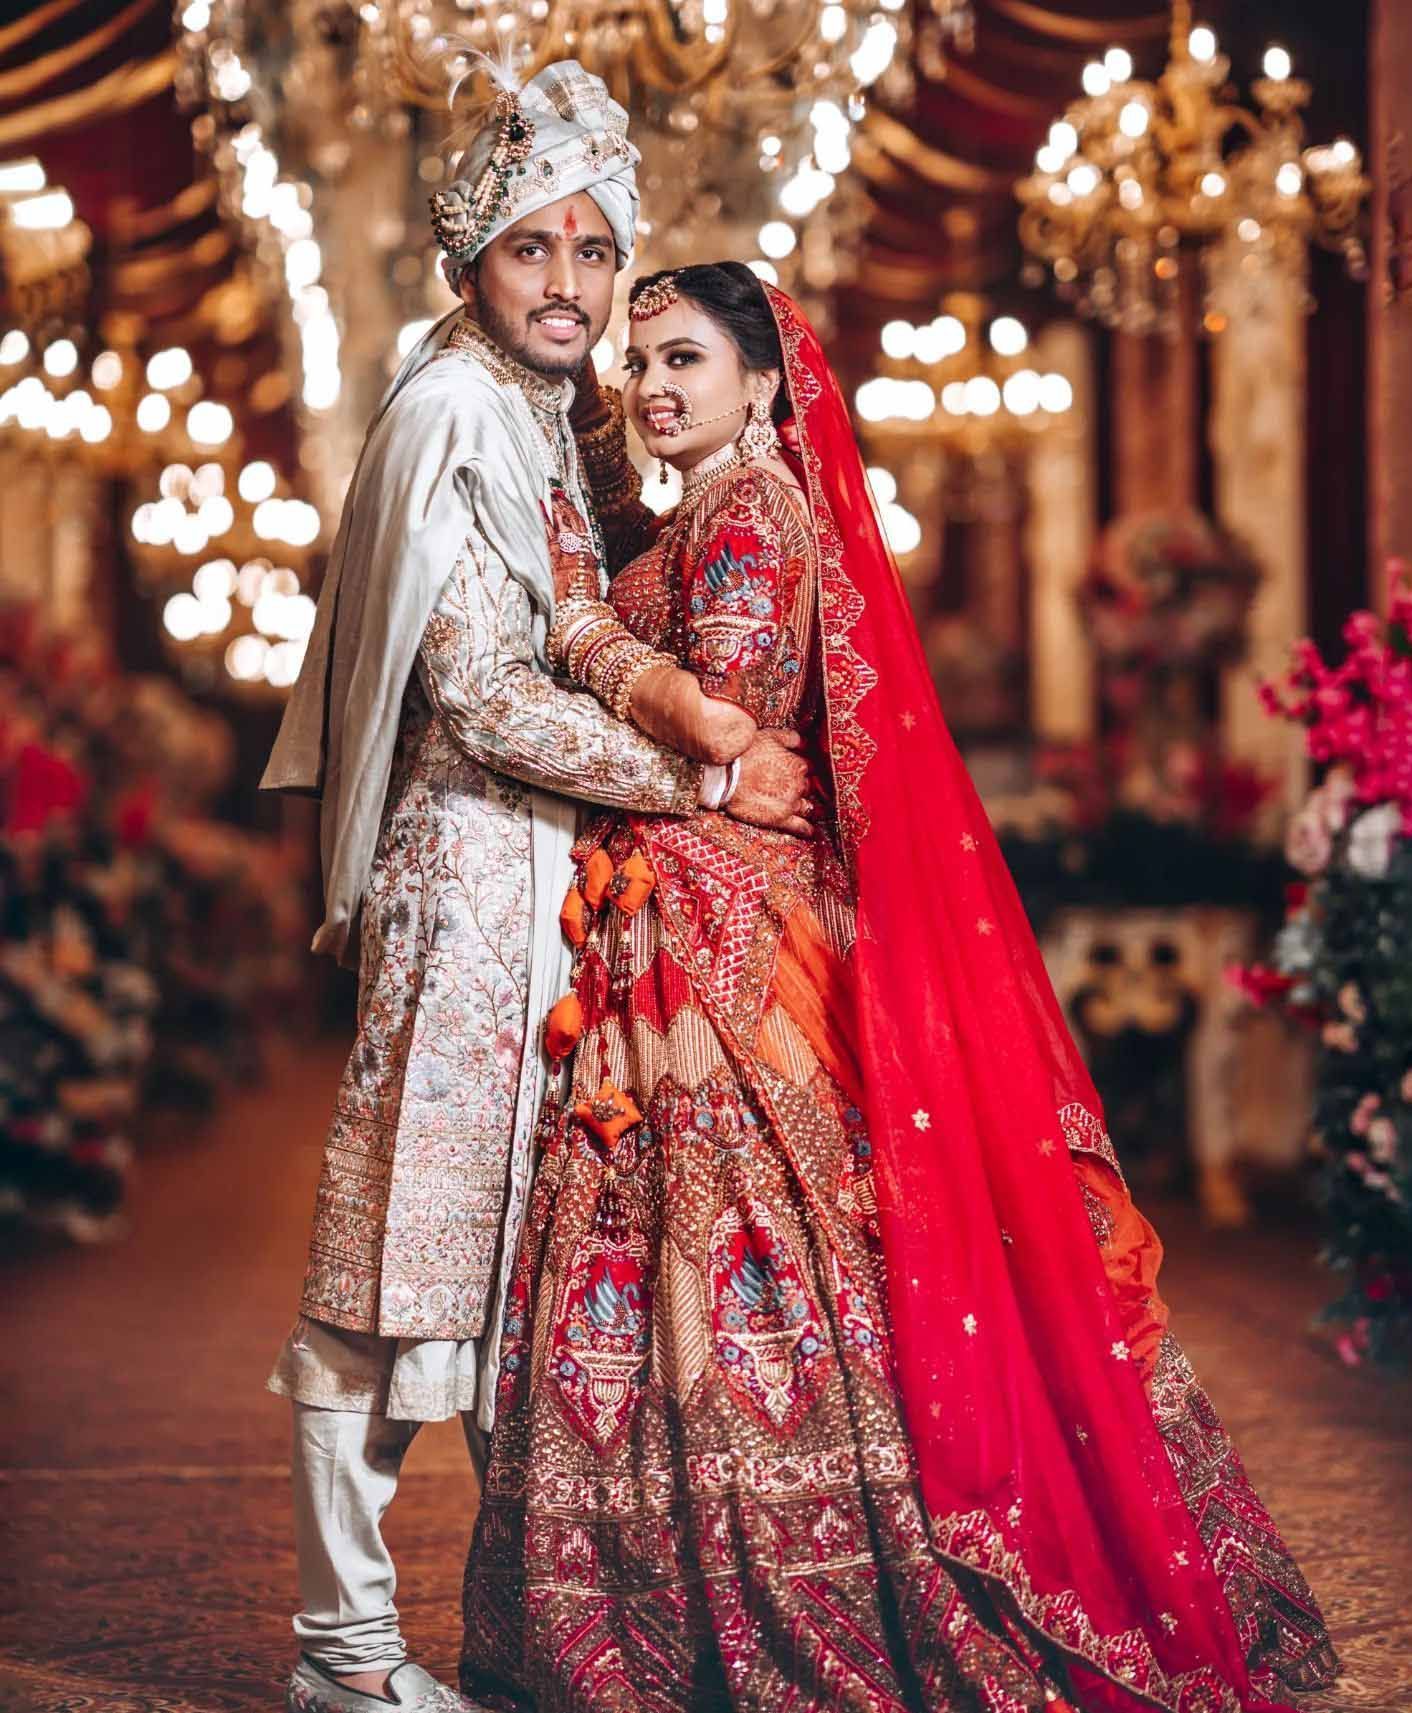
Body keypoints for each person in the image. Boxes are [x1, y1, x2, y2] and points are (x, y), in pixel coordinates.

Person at [458, 264, 1340, 1712]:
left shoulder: (749, 513)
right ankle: (705, 1585)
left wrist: (578, 635)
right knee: (705, 1230)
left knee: (753, 1231)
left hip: (725, 946)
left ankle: (793, 1585)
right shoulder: (705, 512)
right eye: (641, 363)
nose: (655, 386)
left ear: (762, 379)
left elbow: (724, 716)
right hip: (678, 913)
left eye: (685, 358)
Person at [258, 71, 812, 1713]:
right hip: (471, 883)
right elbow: (483, 693)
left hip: (548, 883)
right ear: (467, 264)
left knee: (524, 1268)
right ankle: (344, 1654)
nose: (571, 281)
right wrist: (706, 772)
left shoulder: (532, 410)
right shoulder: (450, 413)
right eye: (531, 248)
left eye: (595, 248)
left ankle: (556, 1628)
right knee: (397, 1267)